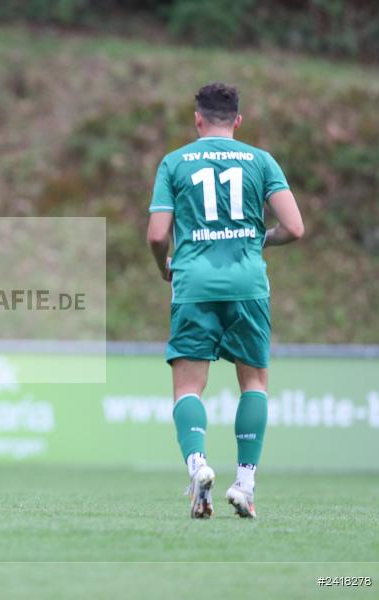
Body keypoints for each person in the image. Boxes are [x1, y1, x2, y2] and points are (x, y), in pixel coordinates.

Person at [147, 82, 304, 519]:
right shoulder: (261, 160)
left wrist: (166, 266)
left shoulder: (175, 162)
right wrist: (259, 242)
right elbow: (295, 228)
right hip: (248, 284)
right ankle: (245, 483)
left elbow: (158, 234)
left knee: (188, 388)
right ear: (237, 120)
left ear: (197, 119)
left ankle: (198, 466)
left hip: (194, 283)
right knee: (253, 384)